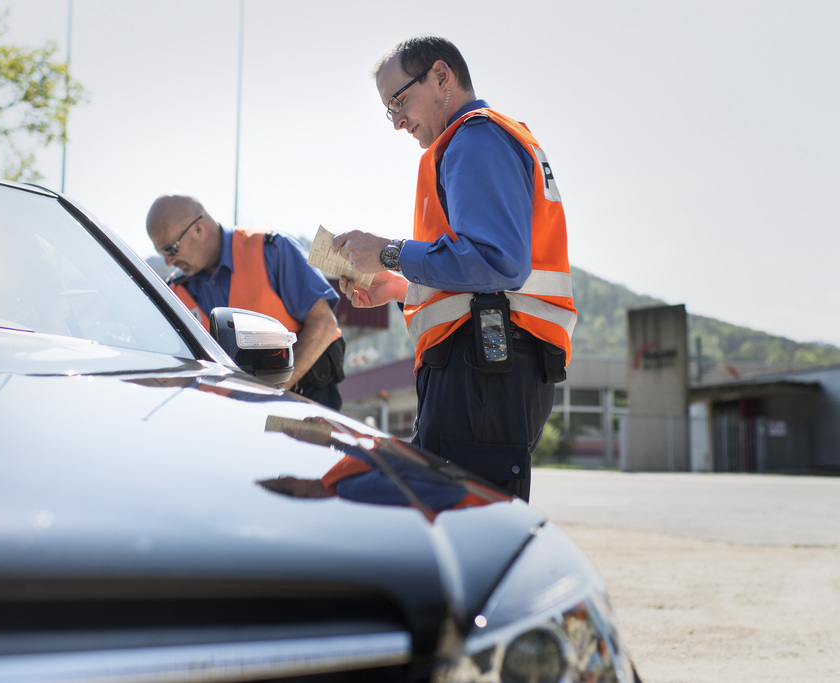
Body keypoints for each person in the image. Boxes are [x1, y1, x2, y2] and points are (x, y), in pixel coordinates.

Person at [330, 35, 576, 502]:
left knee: (463, 525)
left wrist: (387, 251)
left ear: (442, 76)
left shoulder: (475, 138)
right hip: (490, 365)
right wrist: (401, 287)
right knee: (454, 518)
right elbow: (482, 279)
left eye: (399, 100)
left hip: (486, 368)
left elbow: (495, 263)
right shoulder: (482, 140)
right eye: (388, 110)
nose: (397, 120)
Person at [146, 194, 346, 409]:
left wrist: (268, 394)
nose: (168, 262)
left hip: (302, 404)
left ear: (198, 229)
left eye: (170, 249)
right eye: (161, 252)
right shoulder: (175, 290)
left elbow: (324, 325)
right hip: (230, 418)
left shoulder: (273, 250)